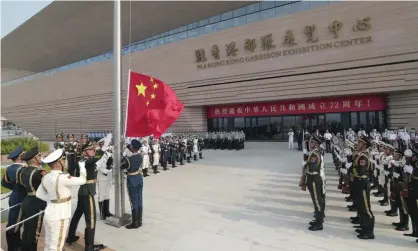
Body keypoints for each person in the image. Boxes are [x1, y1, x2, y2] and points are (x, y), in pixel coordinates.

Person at [36, 149, 87, 251]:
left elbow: (39, 194)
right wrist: (82, 167)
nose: (65, 162)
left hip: (50, 212)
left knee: (49, 244)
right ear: (59, 163)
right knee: (57, 246)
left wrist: (52, 199)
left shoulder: (46, 177)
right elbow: (82, 180)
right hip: (60, 215)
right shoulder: (63, 177)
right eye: (64, 160)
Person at [66, 141, 109, 251]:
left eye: (93, 149)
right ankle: (89, 246)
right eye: (90, 149)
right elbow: (97, 158)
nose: (92, 151)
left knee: (77, 215)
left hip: (83, 192)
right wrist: (103, 149)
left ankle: (70, 237)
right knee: (91, 219)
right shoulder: (85, 161)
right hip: (87, 193)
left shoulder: (86, 160)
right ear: (84, 151)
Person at [19, 146, 47, 251]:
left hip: (27, 200)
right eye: (39, 156)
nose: (40, 158)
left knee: (26, 229)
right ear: (34, 159)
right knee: (34, 232)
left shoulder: (23, 171)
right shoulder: (38, 173)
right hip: (37, 203)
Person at [1, 146, 26, 251]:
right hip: (21, 197)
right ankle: (13, 246)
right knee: (16, 223)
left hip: (14, 196)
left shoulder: (9, 168)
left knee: (14, 220)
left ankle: (16, 243)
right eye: (23, 154)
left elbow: (4, 182)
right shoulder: (22, 169)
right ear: (20, 156)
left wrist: (15, 188)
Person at [353, 135, 375, 239]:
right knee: (361, 206)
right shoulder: (360, 155)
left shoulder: (363, 157)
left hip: (362, 182)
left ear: (364, 145)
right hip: (358, 182)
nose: (357, 144)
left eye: (360, 143)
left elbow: (361, 171)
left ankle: (369, 231)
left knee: (366, 208)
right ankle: (364, 226)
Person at [303, 134, 325, 231]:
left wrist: (305, 164)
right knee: (316, 201)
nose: (309, 143)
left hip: (314, 179)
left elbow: (312, 168)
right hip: (313, 179)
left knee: (317, 202)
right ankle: (317, 220)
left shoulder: (315, 154)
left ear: (316, 144)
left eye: (311, 142)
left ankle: (319, 223)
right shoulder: (313, 153)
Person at [120, 139, 144, 229]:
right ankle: (139, 220)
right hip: (139, 178)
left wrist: (123, 154)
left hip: (132, 180)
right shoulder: (140, 156)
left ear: (132, 148)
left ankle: (135, 223)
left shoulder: (128, 159)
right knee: (139, 200)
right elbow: (133, 153)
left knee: (133, 201)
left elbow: (121, 166)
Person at [95, 138, 114, 220]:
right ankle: (102, 213)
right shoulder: (98, 153)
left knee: (107, 194)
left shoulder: (110, 152)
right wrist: (105, 170)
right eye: (103, 144)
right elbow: (96, 166)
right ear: (100, 144)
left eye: (106, 143)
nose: (105, 145)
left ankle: (107, 211)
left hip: (109, 176)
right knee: (101, 195)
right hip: (102, 177)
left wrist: (111, 166)